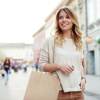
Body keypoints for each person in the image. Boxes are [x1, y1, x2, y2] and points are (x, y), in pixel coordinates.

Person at [39, 7, 86, 100]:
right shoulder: (50, 41)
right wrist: (59, 66)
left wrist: (83, 78)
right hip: (58, 93)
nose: (64, 20)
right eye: (61, 17)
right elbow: (41, 66)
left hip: (78, 92)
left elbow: (80, 64)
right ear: (57, 21)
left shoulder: (79, 42)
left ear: (73, 20)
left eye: (67, 17)